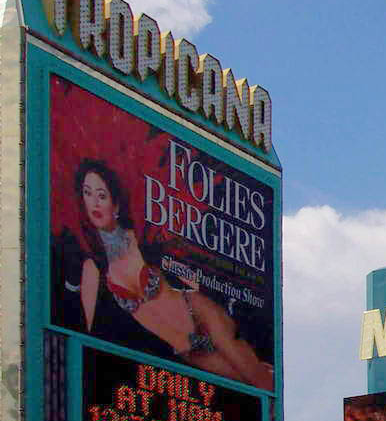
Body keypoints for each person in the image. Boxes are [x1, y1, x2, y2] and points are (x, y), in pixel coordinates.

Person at [67, 159, 273, 390]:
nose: (94, 202)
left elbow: (189, 274)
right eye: (87, 193)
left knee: (260, 378)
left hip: (198, 310)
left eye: (101, 195)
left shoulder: (143, 237)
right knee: (253, 388)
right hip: (186, 349)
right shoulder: (93, 267)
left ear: (115, 205)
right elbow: (86, 338)